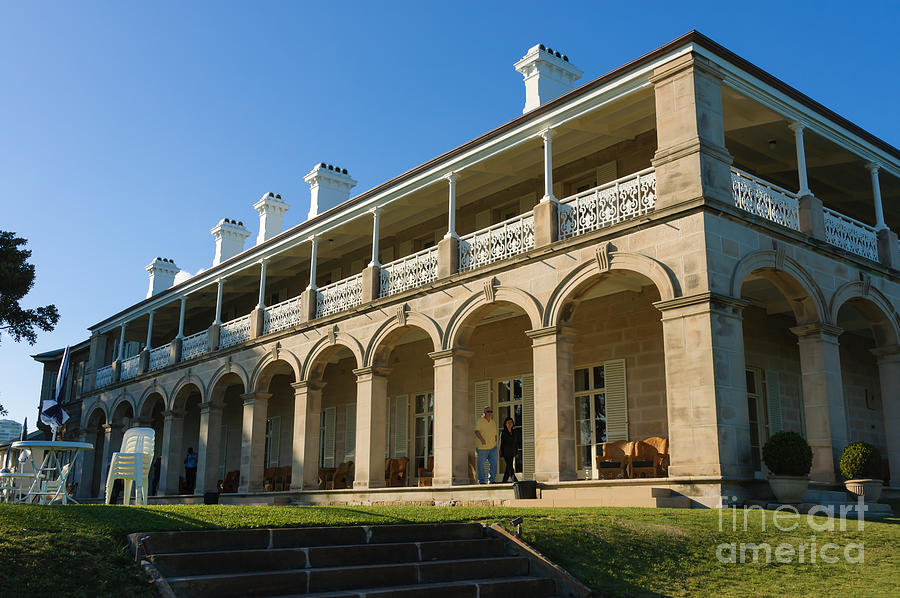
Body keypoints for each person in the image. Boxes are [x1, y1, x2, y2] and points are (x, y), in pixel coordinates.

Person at [474, 406, 498, 484]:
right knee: (481, 465)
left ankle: (492, 480)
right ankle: (481, 481)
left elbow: (495, 434)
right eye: (488, 412)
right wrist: (482, 440)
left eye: (491, 412)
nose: (490, 413)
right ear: (484, 413)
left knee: (494, 463)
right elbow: (477, 432)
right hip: (482, 447)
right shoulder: (480, 421)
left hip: (493, 447)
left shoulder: (493, 422)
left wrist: (495, 440)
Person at [499, 417, 519, 483]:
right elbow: (501, 444)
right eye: (508, 422)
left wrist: (516, 453)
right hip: (506, 453)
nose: (510, 423)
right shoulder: (503, 433)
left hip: (512, 452)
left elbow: (516, 443)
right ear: (505, 424)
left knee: (508, 468)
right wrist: (501, 454)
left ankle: (504, 481)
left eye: (511, 422)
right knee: (510, 467)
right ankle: (515, 481)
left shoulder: (514, 432)